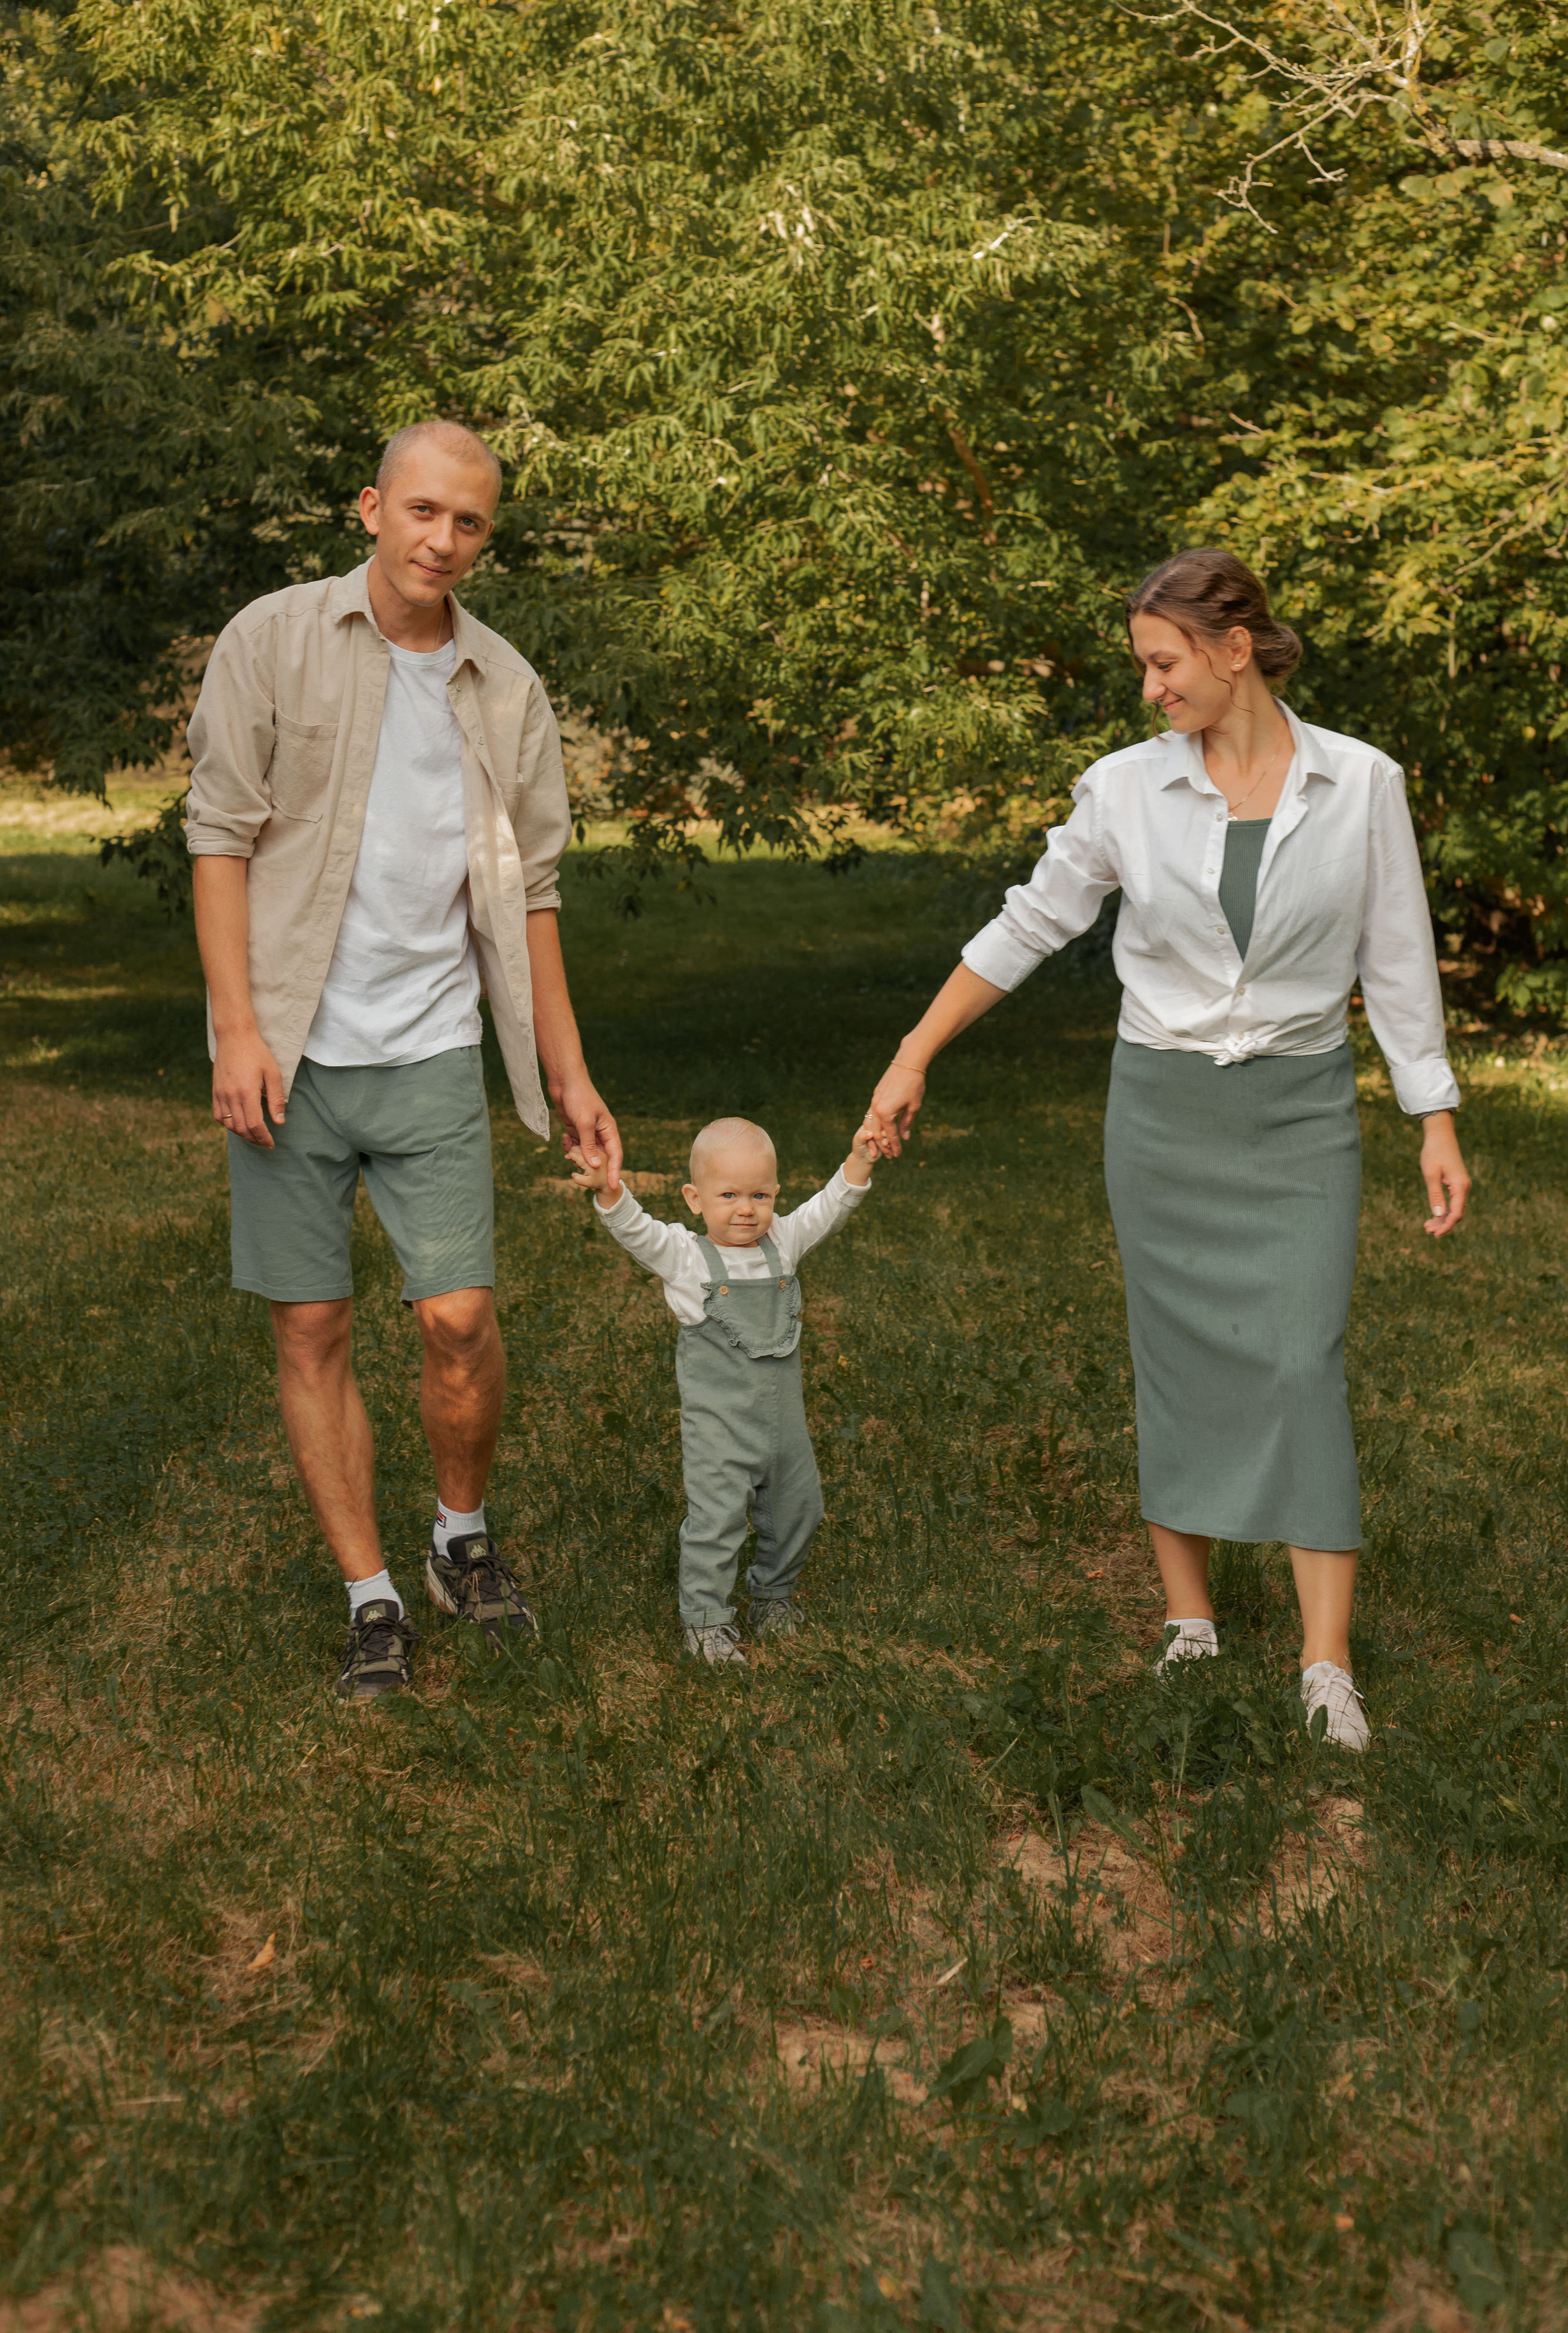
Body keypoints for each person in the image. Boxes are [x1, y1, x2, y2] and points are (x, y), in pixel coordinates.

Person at [865, 548, 1470, 1753]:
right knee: (1178, 1357)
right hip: (1162, 1113)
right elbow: (1030, 920)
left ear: (1234, 648)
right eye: (1144, 665)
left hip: (1299, 1114)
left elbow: (1396, 956)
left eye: (1163, 662)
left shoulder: (1360, 784)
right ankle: (1189, 1622)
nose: (1149, 689)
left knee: (1302, 1362)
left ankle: (1326, 1663)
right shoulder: (1125, 791)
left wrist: (1434, 1117)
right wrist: (914, 1052)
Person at [187, 418, 621, 1701]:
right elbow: (217, 840)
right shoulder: (270, 641)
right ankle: (370, 1594)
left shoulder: (508, 688)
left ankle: (459, 1536)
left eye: (469, 522)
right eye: (421, 512)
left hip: (431, 1043)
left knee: (460, 1320)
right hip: (290, 1046)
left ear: (487, 535)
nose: (442, 540)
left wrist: (568, 1071)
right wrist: (237, 1032)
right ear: (370, 508)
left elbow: (530, 894)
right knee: (312, 1326)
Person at [571, 1116, 880, 1665]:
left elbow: (829, 1208)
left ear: (776, 1195)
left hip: (784, 1427)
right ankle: (707, 1621)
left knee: (799, 1510)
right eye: (729, 1194)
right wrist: (609, 1192)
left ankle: (773, 1596)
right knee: (717, 1523)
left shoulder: (782, 1242)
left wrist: (859, 1160)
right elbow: (636, 1229)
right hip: (719, 1429)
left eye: (760, 1195)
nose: (746, 1209)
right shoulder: (685, 1258)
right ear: (694, 1198)